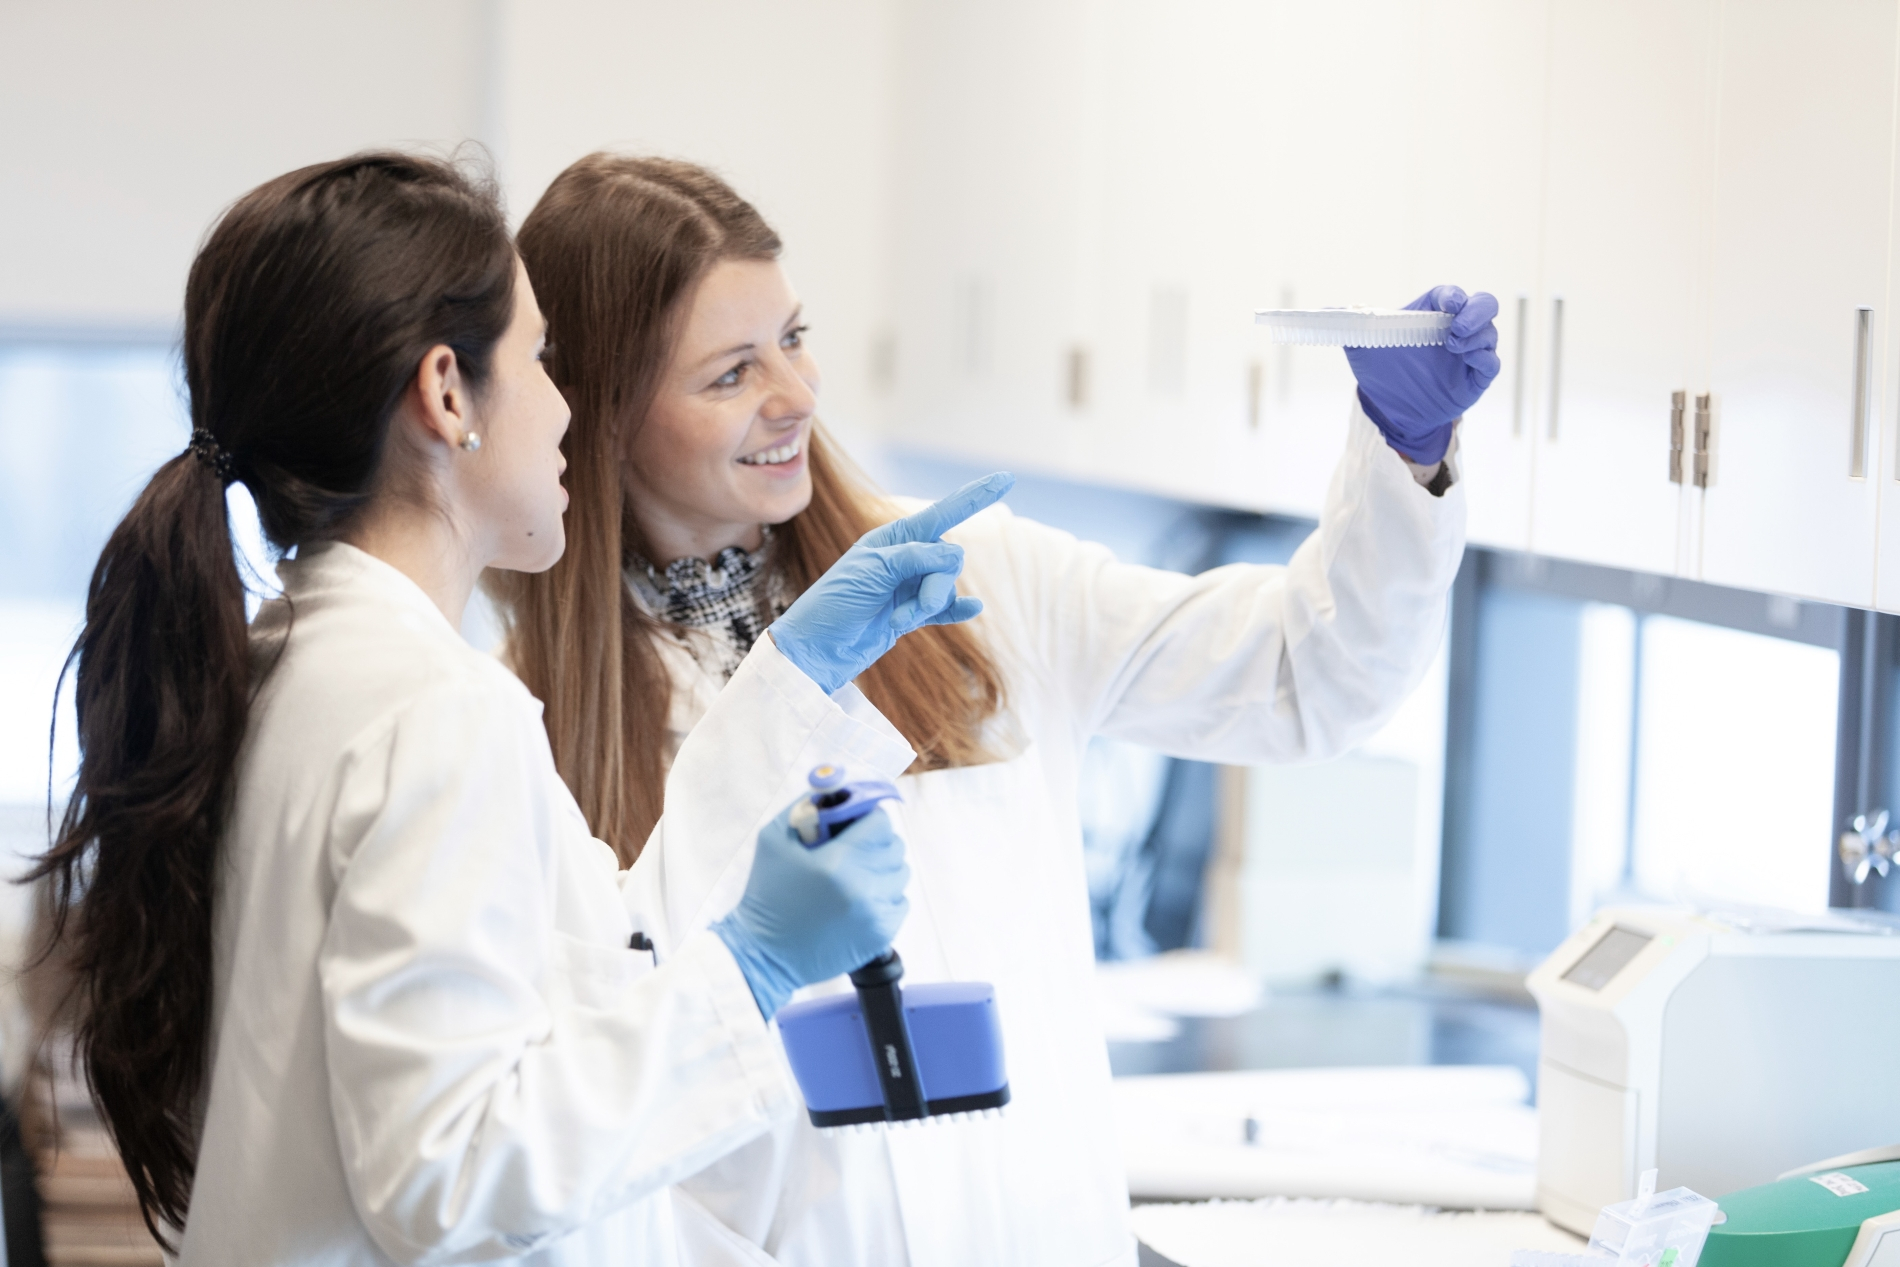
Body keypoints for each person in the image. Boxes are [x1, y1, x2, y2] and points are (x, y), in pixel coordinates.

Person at [508, 154, 1497, 1267]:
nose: (795, 393)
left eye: (792, 336)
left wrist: (1403, 456)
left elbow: (1304, 679)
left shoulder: (962, 573)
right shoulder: (523, 709)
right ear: (600, 412)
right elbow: (585, 1112)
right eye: (731, 372)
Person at [30, 151, 1006, 1263]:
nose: (567, 407)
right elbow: (449, 1176)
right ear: (449, 394)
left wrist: (786, 681)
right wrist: (755, 966)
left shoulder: (293, 662)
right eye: (541, 358)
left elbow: (597, 963)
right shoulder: (432, 713)